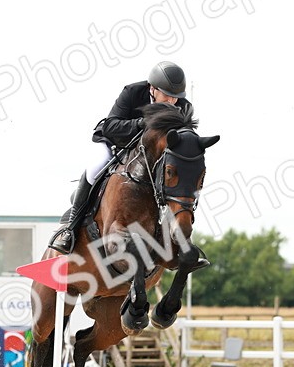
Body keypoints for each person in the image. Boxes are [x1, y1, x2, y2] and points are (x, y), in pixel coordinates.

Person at [49, 61, 195, 253]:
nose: (171, 101)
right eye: (167, 95)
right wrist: (142, 124)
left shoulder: (183, 107)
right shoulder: (133, 92)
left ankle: (179, 241)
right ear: (153, 89)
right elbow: (110, 125)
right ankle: (70, 228)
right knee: (95, 167)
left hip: (150, 157)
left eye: (176, 97)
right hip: (115, 143)